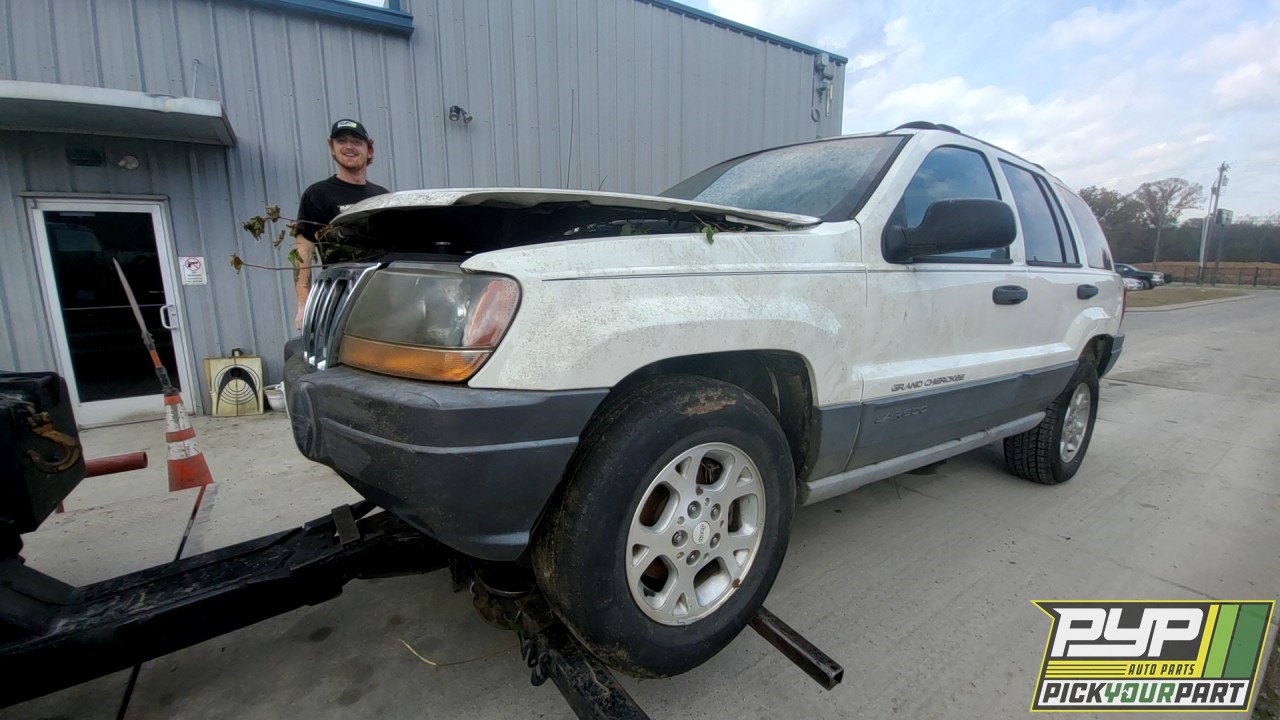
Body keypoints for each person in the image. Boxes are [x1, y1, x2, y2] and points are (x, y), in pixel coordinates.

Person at [293, 118, 390, 329]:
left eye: (356, 141)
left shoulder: (383, 197)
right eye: (341, 141)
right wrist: (304, 304)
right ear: (332, 148)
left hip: (383, 296)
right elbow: (303, 251)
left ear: (369, 149)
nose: (348, 147)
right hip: (340, 298)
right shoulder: (318, 194)